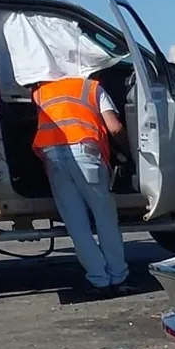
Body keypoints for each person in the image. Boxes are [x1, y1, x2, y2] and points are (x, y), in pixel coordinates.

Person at [31, 74, 130, 293]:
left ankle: (98, 279)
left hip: (53, 157)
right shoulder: (91, 87)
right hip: (86, 153)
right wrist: (128, 151)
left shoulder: (40, 92)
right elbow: (114, 128)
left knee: (76, 224)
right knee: (105, 218)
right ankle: (117, 276)